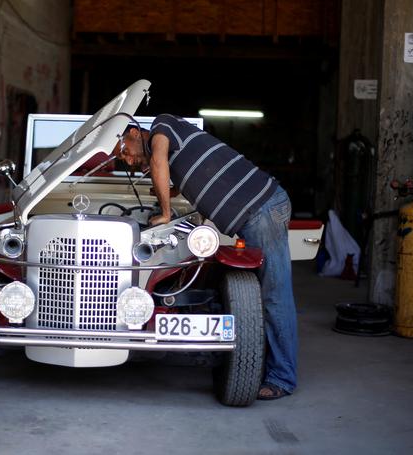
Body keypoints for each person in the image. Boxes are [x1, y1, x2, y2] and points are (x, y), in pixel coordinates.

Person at [114, 114, 296, 400]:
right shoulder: (177, 154)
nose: (127, 160)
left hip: (262, 210)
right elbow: (198, 175)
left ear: (136, 133)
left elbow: (158, 161)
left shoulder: (162, 126)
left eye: (124, 150)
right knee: (266, 294)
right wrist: (173, 190)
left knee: (274, 294)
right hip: (254, 215)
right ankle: (268, 368)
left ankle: (283, 378)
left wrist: (164, 212)